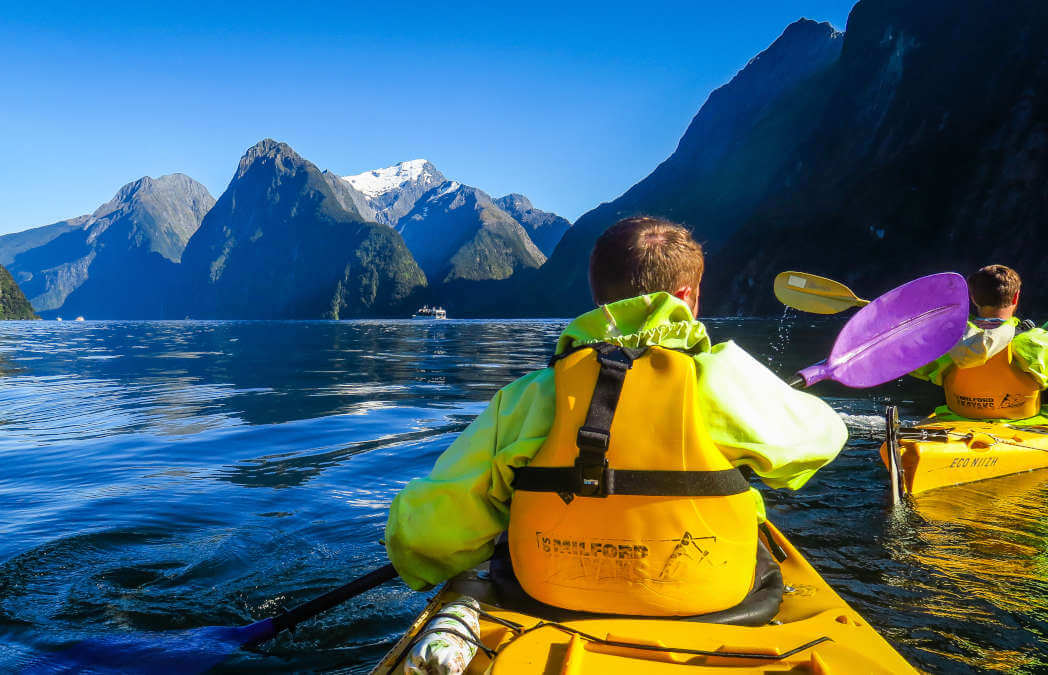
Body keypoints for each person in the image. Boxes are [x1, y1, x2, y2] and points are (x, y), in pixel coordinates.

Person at [384, 216, 847, 618]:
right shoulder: (726, 381)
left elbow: (423, 535)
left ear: (597, 295)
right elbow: (824, 438)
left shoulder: (525, 398)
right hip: (716, 598)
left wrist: (430, 562)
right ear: (687, 297)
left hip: (547, 596)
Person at [911, 265, 1048, 421]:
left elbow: (911, 364)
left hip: (957, 421)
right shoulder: (1035, 342)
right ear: (1016, 297)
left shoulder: (946, 343)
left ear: (973, 298)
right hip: (1024, 425)